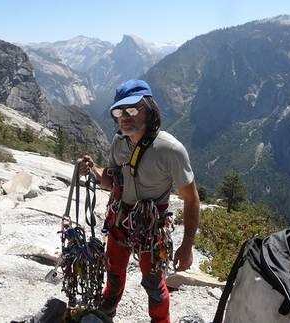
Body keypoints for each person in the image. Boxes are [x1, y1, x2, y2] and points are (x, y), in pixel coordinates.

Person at [79, 79, 200, 323]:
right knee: (113, 271)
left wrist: (187, 246)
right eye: (119, 111)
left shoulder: (171, 150)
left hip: (151, 227)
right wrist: (92, 172)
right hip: (120, 219)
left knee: (153, 283)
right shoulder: (119, 142)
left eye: (133, 109)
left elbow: (192, 199)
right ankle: (106, 313)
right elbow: (111, 181)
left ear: (149, 110)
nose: (125, 116)